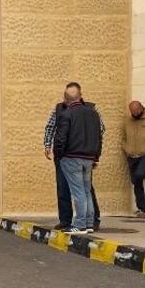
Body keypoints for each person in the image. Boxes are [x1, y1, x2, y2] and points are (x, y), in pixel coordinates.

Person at [43, 82, 105, 230]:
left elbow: (60, 137)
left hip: (70, 155)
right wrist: (94, 154)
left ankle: (81, 223)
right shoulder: (91, 111)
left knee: (80, 191)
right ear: (80, 95)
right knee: (81, 189)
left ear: (66, 97)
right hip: (87, 156)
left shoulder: (68, 112)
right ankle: (79, 221)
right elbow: (100, 132)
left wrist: (59, 153)